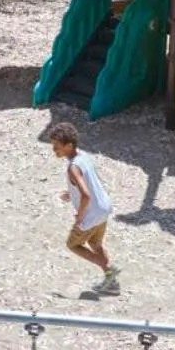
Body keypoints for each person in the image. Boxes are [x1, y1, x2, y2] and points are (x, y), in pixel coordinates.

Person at [49, 121, 118, 293]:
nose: (54, 150)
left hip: (91, 214)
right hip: (104, 208)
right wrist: (71, 193)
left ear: (69, 145)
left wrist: (79, 217)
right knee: (95, 243)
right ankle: (112, 284)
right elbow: (89, 182)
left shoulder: (73, 168)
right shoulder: (84, 156)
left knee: (72, 244)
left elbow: (86, 195)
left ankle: (110, 269)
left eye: (57, 146)